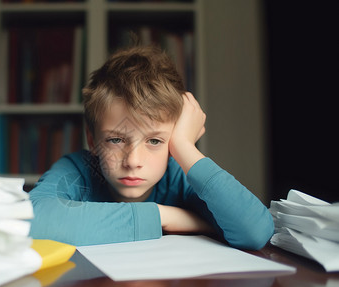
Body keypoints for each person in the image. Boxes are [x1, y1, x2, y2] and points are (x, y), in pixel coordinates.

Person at [28, 45, 274, 250]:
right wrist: (163, 216)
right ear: (92, 140)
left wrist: (185, 148)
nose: (133, 161)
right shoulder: (78, 171)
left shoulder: (179, 177)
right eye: (116, 140)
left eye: (155, 141)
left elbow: (255, 232)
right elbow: (31, 222)